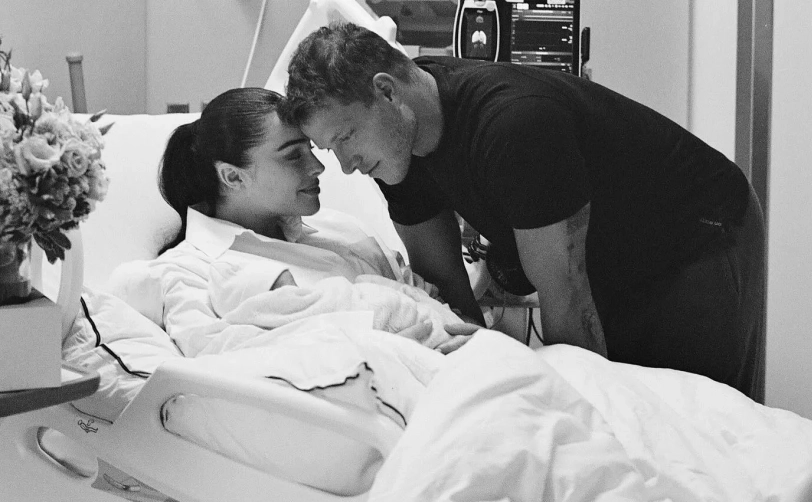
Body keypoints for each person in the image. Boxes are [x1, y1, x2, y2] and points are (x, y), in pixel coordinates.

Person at [284, 24, 767, 401]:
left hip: (696, 232)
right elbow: (444, 282)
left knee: (689, 413)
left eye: (345, 138)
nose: (346, 165)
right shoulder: (396, 147)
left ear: (388, 92)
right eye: (331, 149)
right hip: (613, 250)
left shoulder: (514, 125)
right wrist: (474, 371)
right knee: (625, 391)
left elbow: (567, 297)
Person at [142, 86, 472, 356]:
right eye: (293, 155)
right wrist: (377, 352)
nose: (318, 166)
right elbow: (220, 366)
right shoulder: (187, 271)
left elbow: (422, 299)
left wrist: (458, 334)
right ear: (233, 176)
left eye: (311, 149)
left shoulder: (342, 230)